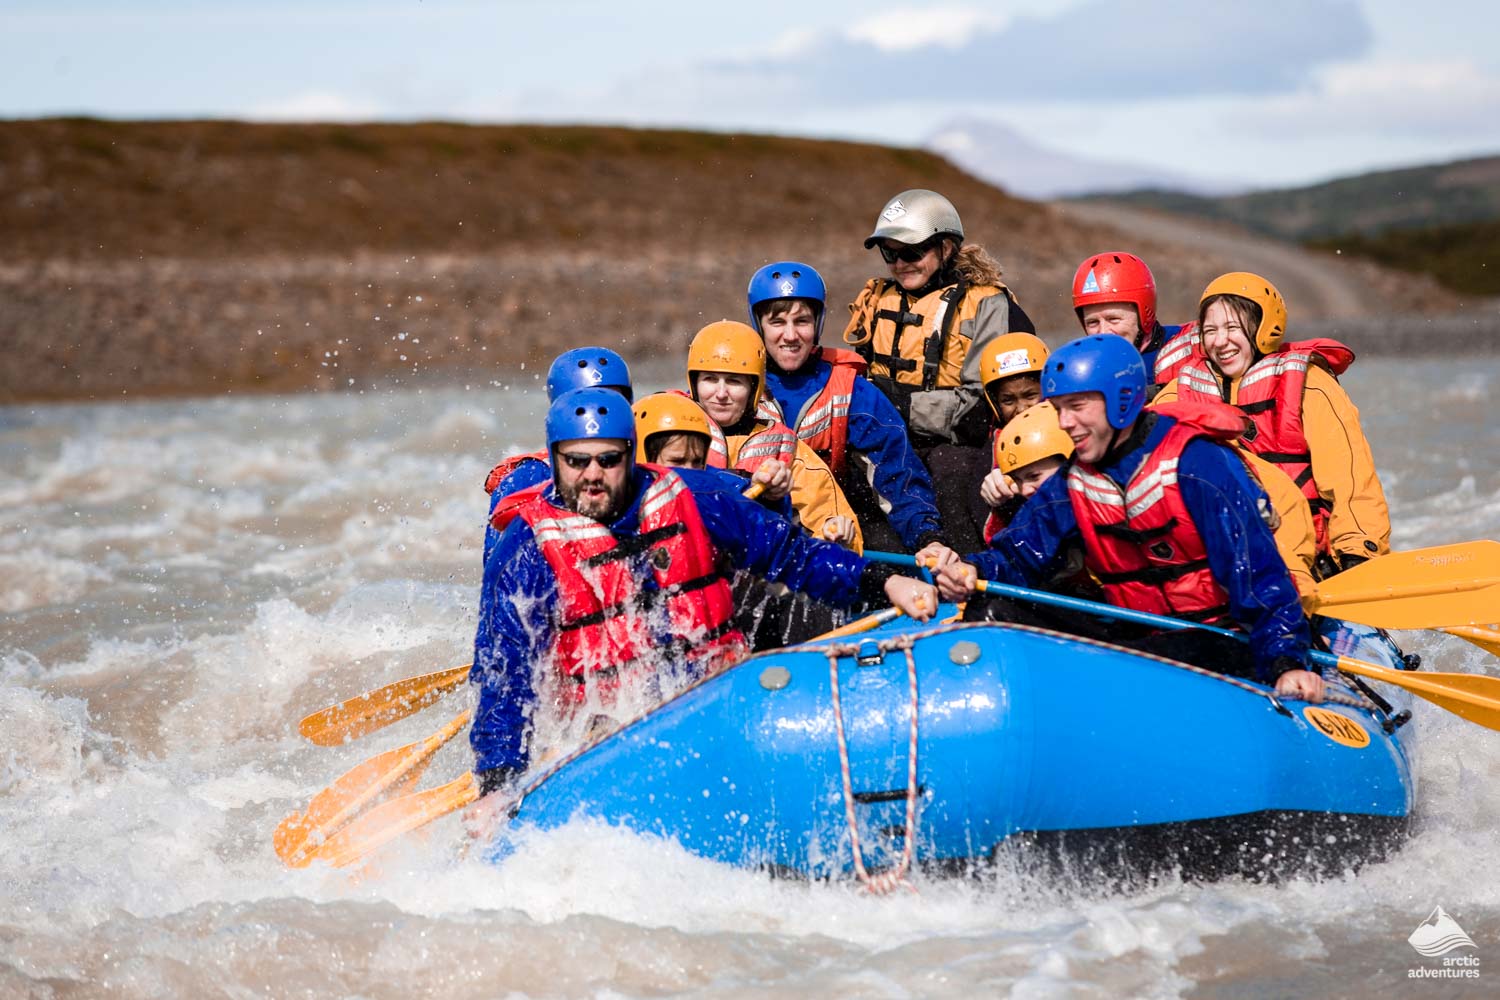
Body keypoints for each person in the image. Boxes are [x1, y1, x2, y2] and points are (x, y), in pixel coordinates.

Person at [471, 387, 939, 788]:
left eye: (608, 459)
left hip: (716, 700)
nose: (592, 474)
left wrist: (885, 582)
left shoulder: (695, 498)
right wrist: (498, 781)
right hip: (603, 737)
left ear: (629, 456)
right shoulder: (527, 547)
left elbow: (792, 555)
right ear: (555, 460)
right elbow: (503, 670)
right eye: (577, 461)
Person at [935, 335, 1324, 703]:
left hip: (1217, 639)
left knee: (1173, 653)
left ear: (1121, 399)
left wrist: (1285, 660)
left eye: (1077, 406)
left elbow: (1258, 573)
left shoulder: (1198, 464)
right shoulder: (1074, 480)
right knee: (994, 611)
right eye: (1058, 409)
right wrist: (970, 570)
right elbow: (1018, 556)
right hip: (1134, 637)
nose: (1064, 423)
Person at [1155, 272, 1391, 574]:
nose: (1220, 341)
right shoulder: (1180, 392)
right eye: (1210, 330)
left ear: (1264, 328)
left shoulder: (1307, 383)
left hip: (1310, 558)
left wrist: (1357, 553)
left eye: (1232, 328)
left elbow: (1351, 481)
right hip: (1222, 559)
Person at [843, 189, 1036, 553]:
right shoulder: (877, 300)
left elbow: (981, 409)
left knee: (951, 473)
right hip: (887, 442)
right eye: (890, 253)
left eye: (912, 252)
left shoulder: (988, 305)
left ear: (946, 247)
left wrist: (895, 405)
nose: (900, 263)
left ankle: (966, 569)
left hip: (959, 448)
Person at [747, 260, 947, 555]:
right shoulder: (732, 385)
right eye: (777, 322)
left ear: (818, 324)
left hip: (832, 528)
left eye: (802, 321)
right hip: (752, 527)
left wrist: (928, 539)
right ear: (758, 326)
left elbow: (897, 474)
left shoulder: (852, 390)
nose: (790, 335)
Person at [688, 320, 862, 551]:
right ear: (694, 383)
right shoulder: (667, 435)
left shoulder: (786, 448)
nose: (721, 393)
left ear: (754, 388)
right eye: (710, 379)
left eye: (734, 381)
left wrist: (834, 533)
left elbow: (825, 515)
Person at [482, 347, 633, 563]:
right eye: (584, 403)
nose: (599, 412)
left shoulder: (646, 466)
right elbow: (501, 567)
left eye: (612, 402)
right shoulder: (527, 478)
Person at [1071, 251, 1196, 388]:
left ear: (1143, 315)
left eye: (1113, 319)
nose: (1103, 331)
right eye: (1093, 322)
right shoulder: (1079, 372)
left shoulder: (1193, 346)